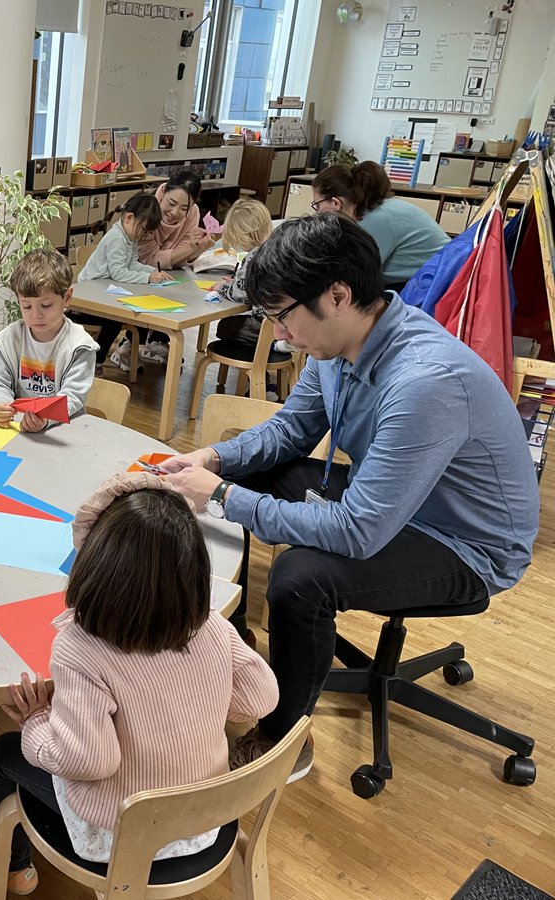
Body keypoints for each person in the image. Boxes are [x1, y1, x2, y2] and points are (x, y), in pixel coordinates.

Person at [160, 213, 538, 781]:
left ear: (337, 295)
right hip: (393, 503)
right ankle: (234, 635)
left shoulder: (423, 381)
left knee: (300, 579)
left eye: (283, 315)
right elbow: (289, 432)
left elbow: (360, 531)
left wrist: (220, 495)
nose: (280, 333)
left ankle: (283, 734)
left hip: (464, 545)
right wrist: (214, 461)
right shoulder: (335, 349)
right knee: (259, 473)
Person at [0, 473, 278, 894]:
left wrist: (37, 722)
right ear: (196, 571)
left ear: (92, 566)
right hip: (208, 813)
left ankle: (2, 866)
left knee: (4, 752)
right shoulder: (213, 627)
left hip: (124, 836)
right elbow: (262, 697)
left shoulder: (79, 648)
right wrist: (198, 695)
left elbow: (90, 762)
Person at [0, 249, 97, 432]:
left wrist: (46, 417)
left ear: (66, 298)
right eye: (26, 306)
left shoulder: (79, 345)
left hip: (62, 431)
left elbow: (72, 395)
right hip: (20, 429)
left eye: (46, 305)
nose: (36, 315)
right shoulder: (10, 338)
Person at [120, 169, 215, 370]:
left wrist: (197, 249)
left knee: (180, 290)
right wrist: (188, 249)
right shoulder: (147, 211)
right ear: (162, 193)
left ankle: (157, 342)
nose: (175, 213)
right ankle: (129, 343)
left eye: (184, 208)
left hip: (166, 273)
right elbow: (147, 259)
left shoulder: (193, 213)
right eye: (171, 204)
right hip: (134, 273)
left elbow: (183, 259)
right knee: (151, 291)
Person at [311, 161, 450, 292]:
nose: (316, 211)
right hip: (432, 278)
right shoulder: (374, 208)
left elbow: (354, 274)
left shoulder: (374, 220)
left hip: (434, 285)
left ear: (336, 203)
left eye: (317, 205)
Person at [74, 193, 175, 369]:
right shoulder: (117, 238)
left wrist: (153, 271)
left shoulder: (130, 237)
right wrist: (148, 278)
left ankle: (117, 356)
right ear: (129, 218)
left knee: (131, 313)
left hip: (104, 291)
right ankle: (97, 363)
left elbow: (132, 264)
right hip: (87, 300)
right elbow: (119, 273)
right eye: (143, 229)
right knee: (114, 320)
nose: (143, 235)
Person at [210, 198, 275, 348]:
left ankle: (273, 344)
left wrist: (222, 287)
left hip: (265, 323)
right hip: (285, 319)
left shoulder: (254, 256)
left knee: (225, 327)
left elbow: (241, 293)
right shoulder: (275, 248)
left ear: (243, 234)